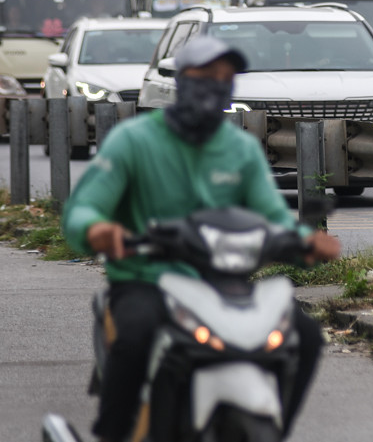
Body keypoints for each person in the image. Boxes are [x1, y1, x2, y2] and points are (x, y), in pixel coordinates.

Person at [62, 36, 340, 442]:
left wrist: (305, 242)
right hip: (147, 281)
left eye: (225, 78)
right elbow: (82, 209)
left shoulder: (241, 149)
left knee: (306, 335)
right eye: (206, 76)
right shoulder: (134, 140)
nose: (216, 85)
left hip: (222, 285)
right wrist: (97, 229)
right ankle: (110, 435)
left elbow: (275, 219)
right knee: (135, 338)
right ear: (182, 80)